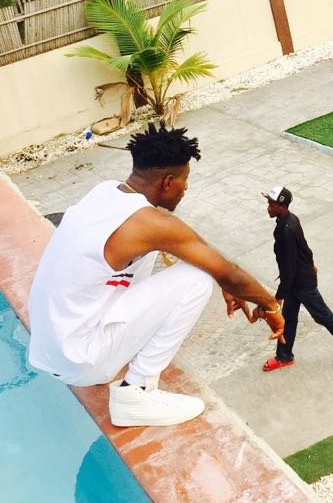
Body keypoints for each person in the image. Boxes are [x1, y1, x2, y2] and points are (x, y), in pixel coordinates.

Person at [28, 123, 285, 427]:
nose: (186, 188)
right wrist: (271, 306)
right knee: (196, 279)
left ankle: (110, 366)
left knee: (193, 265)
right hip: (81, 359)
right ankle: (136, 392)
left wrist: (222, 276)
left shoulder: (106, 192)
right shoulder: (149, 223)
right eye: (185, 180)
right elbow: (230, 272)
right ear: (168, 182)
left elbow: (193, 246)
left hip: (52, 348)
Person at [261, 185, 333, 373]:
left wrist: (279, 295)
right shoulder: (288, 220)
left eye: (271, 204)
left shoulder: (288, 229)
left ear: (282, 206)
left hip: (302, 284)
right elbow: (305, 249)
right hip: (295, 281)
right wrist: (310, 264)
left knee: (323, 316)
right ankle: (284, 356)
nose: (268, 207)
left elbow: (289, 267)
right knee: (288, 318)